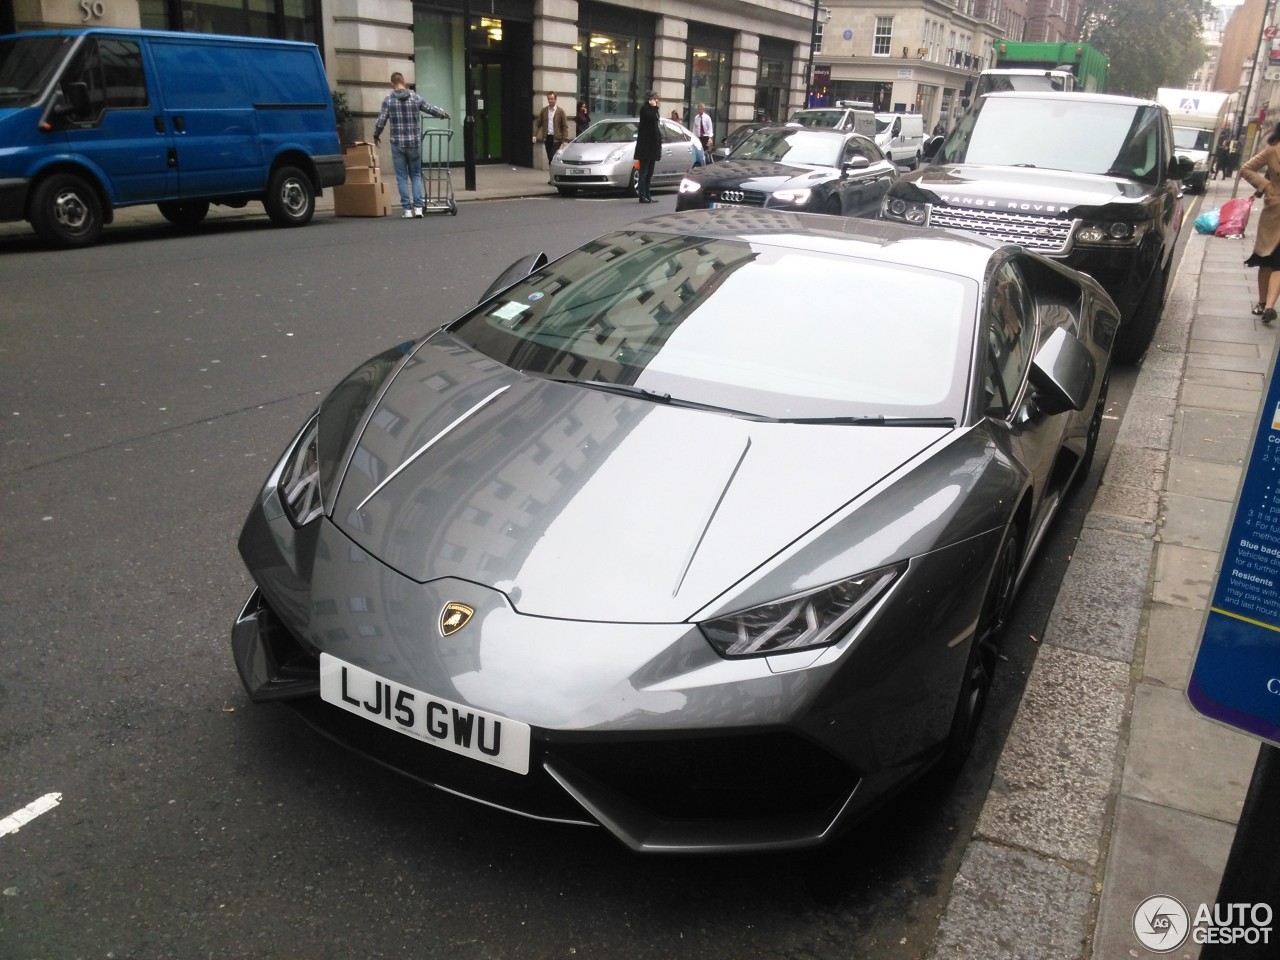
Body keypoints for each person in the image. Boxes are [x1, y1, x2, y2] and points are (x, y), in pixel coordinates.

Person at [372, 72, 450, 219]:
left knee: (401, 176)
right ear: (404, 82)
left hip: (397, 143)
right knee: (415, 175)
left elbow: (381, 121)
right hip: (414, 143)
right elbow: (430, 108)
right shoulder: (415, 98)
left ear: (392, 84)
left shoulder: (388, 100)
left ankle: (407, 209)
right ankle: (418, 208)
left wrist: (376, 135)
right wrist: (442, 114)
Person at [1241, 123, 1280, 323]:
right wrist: (1266, 187)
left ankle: (1270, 307)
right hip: (1275, 212)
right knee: (1267, 260)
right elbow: (1246, 169)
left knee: (1279, 262)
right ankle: (1262, 302)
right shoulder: (1273, 149)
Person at [635, 90, 661, 203]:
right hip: (645, 147)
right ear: (649, 99)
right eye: (655, 98)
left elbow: (655, 122)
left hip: (652, 146)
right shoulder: (645, 110)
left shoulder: (653, 110)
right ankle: (642, 195)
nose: (657, 101)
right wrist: (654, 108)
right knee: (644, 172)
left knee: (650, 172)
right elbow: (650, 118)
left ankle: (648, 194)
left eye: (657, 98)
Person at [532, 92, 569, 167]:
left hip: (557, 139)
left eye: (552, 99)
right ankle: (552, 175)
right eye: (549, 99)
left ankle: (554, 175)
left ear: (555, 99)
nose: (550, 100)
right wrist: (534, 135)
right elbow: (538, 123)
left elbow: (564, 127)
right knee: (550, 158)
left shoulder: (560, 111)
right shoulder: (544, 111)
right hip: (547, 137)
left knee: (553, 157)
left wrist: (564, 140)